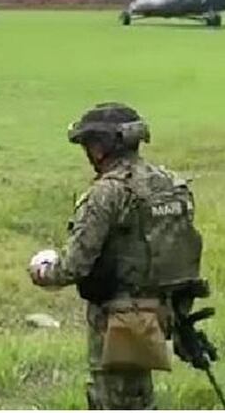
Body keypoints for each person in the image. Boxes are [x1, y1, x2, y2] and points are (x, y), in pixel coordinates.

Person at [28, 103, 206, 410]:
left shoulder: (106, 193)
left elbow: (74, 265)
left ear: (100, 148)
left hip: (119, 320)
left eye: (88, 144)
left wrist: (43, 271)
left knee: (114, 399)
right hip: (161, 313)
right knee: (137, 397)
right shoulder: (171, 183)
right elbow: (181, 253)